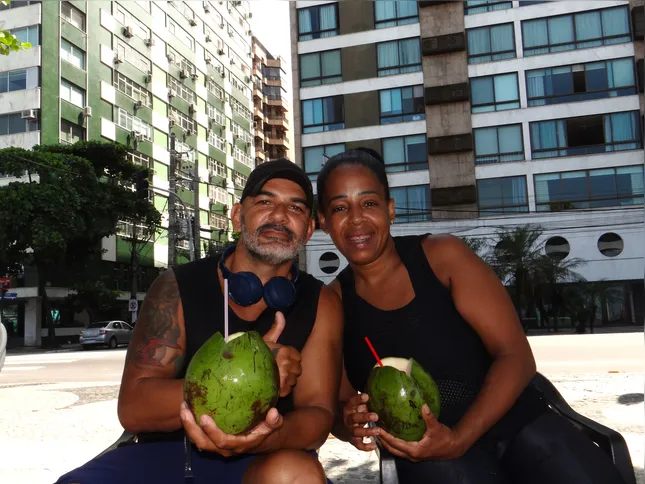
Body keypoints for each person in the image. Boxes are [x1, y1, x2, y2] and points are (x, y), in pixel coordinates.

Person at [316, 148, 626, 484]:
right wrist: (349, 422)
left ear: (391, 210)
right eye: (340, 207)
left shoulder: (443, 257)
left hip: (515, 421)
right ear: (323, 222)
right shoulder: (331, 303)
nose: (357, 219)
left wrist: (459, 437)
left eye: (370, 203)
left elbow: (516, 356)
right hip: (425, 452)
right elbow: (341, 402)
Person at [56, 159, 343, 484]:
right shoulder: (176, 286)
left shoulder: (322, 301)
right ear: (237, 216)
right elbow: (134, 406)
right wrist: (247, 378)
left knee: (297, 476)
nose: (278, 215)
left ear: (308, 229)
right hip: (172, 453)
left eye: (295, 207)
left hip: (270, 454)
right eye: (265, 201)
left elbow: (318, 416)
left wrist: (261, 437)